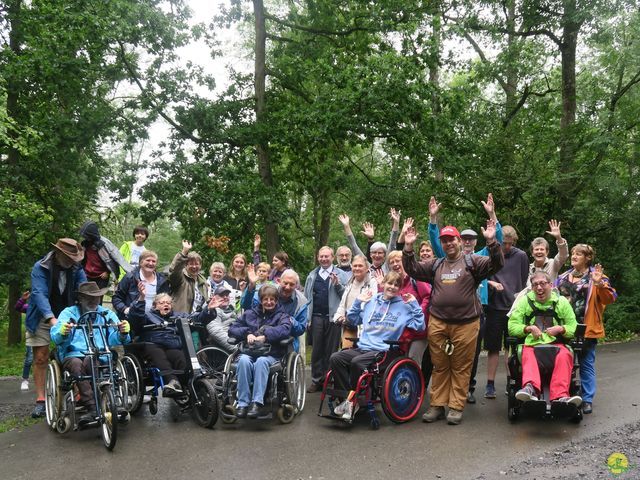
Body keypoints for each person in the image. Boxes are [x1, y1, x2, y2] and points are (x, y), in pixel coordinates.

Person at [403, 219, 503, 425]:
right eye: (445, 241)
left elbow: (497, 264)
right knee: (439, 365)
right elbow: (412, 269)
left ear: (459, 241)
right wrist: (409, 246)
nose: (448, 244)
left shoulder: (472, 261)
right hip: (439, 322)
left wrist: (492, 242)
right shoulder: (436, 264)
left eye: (451, 240)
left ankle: (456, 406)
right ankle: (437, 405)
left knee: (461, 366)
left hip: (466, 323)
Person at [427, 193, 503, 404]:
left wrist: (492, 215)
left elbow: (496, 243)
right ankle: (445, 395)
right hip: (446, 316)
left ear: (475, 241)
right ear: (460, 241)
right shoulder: (447, 257)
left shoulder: (479, 257)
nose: (468, 241)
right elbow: (436, 241)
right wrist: (433, 220)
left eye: (471, 239)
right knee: (443, 357)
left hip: (476, 312)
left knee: (471, 352)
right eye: (465, 238)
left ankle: (468, 388)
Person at [330, 271, 425, 419]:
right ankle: (347, 400)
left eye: (396, 285)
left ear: (400, 289)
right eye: (389, 283)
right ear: (383, 284)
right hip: (363, 348)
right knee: (336, 358)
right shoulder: (372, 301)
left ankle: (354, 402)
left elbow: (420, 326)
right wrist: (357, 302)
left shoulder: (405, 307)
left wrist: (414, 305)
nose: (392, 287)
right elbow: (353, 320)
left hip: (384, 351)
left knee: (356, 363)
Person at [50, 282, 131, 423]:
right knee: (77, 364)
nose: (94, 300)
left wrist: (123, 332)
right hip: (73, 354)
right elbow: (56, 337)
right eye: (89, 297)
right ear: (80, 298)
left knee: (91, 360)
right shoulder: (68, 313)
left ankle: (106, 402)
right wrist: (63, 333)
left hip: (98, 352)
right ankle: (92, 407)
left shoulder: (106, 313)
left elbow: (115, 339)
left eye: (97, 297)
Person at [26, 238, 87, 418]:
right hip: (42, 316)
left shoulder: (76, 268)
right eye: (68, 257)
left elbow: (84, 290)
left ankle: (79, 393)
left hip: (67, 315)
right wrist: (52, 319)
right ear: (58, 253)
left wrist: (89, 309)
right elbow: (38, 294)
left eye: (74, 258)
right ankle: (41, 400)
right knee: (40, 357)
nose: (71, 261)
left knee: (76, 353)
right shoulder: (41, 267)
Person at [555, 244, 617, 414]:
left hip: (586, 328)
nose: (574, 256)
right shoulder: (563, 277)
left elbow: (610, 298)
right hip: (564, 328)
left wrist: (600, 284)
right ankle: (564, 395)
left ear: (587, 258)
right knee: (563, 361)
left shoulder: (597, 276)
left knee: (586, 364)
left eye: (579, 254)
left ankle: (587, 399)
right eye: (573, 254)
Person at [508, 272, 581, 407]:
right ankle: (530, 389)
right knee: (527, 353)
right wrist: (528, 328)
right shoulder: (525, 301)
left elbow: (573, 327)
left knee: (565, 355)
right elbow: (512, 326)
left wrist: (561, 329)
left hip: (557, 344)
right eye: (535, 284)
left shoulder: (561, 302)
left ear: (551, 285)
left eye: (542, 283)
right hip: (532, 344)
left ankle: (561, 396)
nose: (539, 288)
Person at [128, 290, 222, 396]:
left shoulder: (179, 316)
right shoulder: (147, 315)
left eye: (168, 303)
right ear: (155, 306)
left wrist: (209, 309)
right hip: (153, 344)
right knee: (158, 353)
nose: (166, 304)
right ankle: (172, 381)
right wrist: (141, 299)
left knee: (180, 356)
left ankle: (191, 387)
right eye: (162, 303)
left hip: (172, 346)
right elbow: (135, 318)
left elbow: (196, 319)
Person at [228, 285, 292, 418]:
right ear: (260, 300)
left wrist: (266, 336)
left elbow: (285, 330)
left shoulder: (282, 315)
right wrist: (247, 334)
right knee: (243, 360)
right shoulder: (250, 313)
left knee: (261, 362)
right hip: (250, 351)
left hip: (271, 353)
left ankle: (257, 402)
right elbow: (232, 328)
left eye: (272, 299)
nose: (269, 302)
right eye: (266, 299)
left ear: (276, 300)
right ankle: (243, 403)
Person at [304, 246, 349, 393]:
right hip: (316, 317)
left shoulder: (342, 275)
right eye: (321, 256)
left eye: (326, 256)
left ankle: (328, 379)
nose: (324, 259)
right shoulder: (312, 275)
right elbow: (306, 298)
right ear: (318, 257)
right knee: (317, 350)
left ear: (332, 258)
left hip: (333, 318)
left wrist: (337, 284)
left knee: (331, 350)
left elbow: (346, 296)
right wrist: (306, 318)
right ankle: (316, 380)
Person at [241, 268, 309, 354]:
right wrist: (251, 285)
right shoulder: (269, 291)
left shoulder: (301, 302)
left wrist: (290, 321)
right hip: (259, 337)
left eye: (292, 284)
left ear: (297, 285)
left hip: (285, 341)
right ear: (279, 281)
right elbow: (247, 306)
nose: (287, 287)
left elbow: (301, 329)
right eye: (285, 283)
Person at [333, 255, 378, 349]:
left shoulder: (372, 283)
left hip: (365, 328)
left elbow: (372, 305)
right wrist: (338, 317)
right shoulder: (350, 283)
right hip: (349, 326)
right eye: (355, 266)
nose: (357, 268)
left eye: (360, 266)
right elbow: (343, 304)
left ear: (367, 268)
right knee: (345, 354)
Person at [338, 209, 400, 276]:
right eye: (374, 252)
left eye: (380, 253)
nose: (377, 255)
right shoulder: (366, 266)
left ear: (384, 255)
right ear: (370, 255)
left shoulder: (387, 266)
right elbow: (353, 246)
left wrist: (396, 222)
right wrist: (346, 226)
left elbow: (392, 243)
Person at [113, 250, 169, 320]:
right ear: (141, 262)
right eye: (148, 260)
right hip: (131, 319)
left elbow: (166, 300)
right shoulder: (130, 277)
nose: (151, 263)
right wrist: (125, 309)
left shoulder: (162, 280)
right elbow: (116, 298)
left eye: (153, 261)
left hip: (154, 320)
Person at [79, 220, 132, 293]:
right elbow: (81, 259)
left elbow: (118, 258)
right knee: (87, 297)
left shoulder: (105, 243)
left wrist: (134, 274)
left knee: (98, 299)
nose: (86, 238)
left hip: (101, 277)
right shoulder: (85, 244)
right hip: (87, 275)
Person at [168, 240, 208, 314]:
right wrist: (184, 252)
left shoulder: (203, 282)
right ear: (186, 265)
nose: (194, 266)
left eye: (197, 264)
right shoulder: (180, 277)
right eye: (191, 264)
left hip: (196, 321)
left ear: (200, 265)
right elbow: (174, 270)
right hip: (180, 319)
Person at [205, 286, 239, 353]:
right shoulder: (213, 312)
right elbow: (216, 332)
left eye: (227, 295)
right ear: (214, 297)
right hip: (224, 349)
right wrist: (237, 348)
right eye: (221, 295)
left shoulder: (231, 310)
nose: (225, 297)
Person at [14, 291, 32, 391]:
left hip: (47, 333)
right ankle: (25, 380)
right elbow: (17, 307)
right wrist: (23, 299)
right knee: (30, 358)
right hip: (32, 333)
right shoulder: (30, 307)